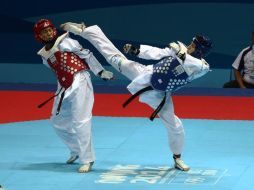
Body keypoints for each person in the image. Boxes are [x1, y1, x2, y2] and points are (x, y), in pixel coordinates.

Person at [60, 22, 212, 171]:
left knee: (175, 125)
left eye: (193, 45)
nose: (189, 46)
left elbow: (191, 63)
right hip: (144, 74)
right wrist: (137, 50)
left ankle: (177, 158)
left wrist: (181, 52)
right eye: (190, 44)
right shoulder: (180, 50)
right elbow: (158, 52)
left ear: (200, 51)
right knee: (114, 59)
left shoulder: (202, 67)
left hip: (160, 95)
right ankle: (89, 31)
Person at [34, 19, 113, 173]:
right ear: (39, 36)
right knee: (57, 121)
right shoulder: (44, 54)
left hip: (80, 79)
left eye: (49, 29)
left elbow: (86, 54)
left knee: (81, 120)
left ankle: (87, 159)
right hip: (63, 86)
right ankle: (77, 149)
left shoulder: (66, 42)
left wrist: (100, 71)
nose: (48, 33)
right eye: (44, 32)